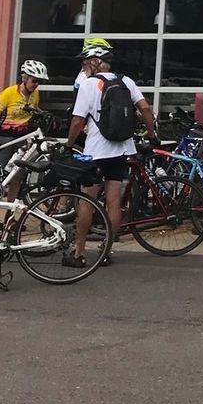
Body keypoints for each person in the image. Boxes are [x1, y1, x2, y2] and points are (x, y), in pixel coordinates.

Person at [66, 40, 156, 266]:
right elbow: (145, 108)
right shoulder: (126, 81)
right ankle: (105, 251)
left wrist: (68, 144)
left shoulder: (88, 85)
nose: (84, 67)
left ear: (95, 63)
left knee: (87, 200)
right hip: (121, 150)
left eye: (86, 63)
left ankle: (78, 252)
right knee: (114, 201)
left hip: (96, 152)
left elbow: (77, 121)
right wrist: (151, 134)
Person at [0, 59, 47, 201]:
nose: (36, 84)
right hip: (4, 138)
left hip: (22, 138)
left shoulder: (35, 94)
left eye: (39, 82)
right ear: (24, 78)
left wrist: (45, 114)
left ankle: (10, 211)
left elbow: (33, 109)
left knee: (17, 177)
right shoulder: (8, 93)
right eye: (34, 80)